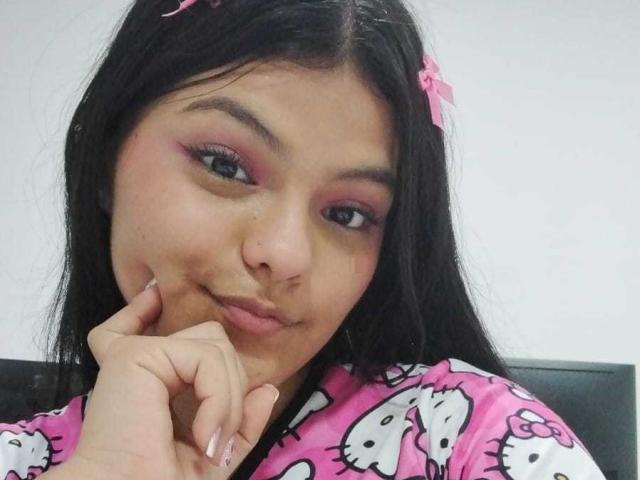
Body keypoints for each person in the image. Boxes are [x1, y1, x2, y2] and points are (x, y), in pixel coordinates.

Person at [0, 0, 607, 479]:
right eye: (225, 165)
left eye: (347, 213)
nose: (285, 254)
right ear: (106, 159)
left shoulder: (470, 438)